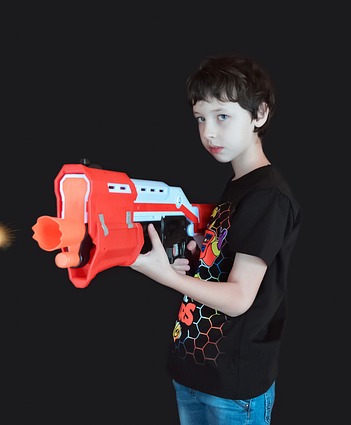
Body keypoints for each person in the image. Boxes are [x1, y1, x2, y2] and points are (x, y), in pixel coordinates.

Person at [130, 55, 303, 424]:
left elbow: (240, 298)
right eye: (200, 119)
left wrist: (168, 276)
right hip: (195, 373)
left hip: (232, 386)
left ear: (259, 114)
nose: (209, 132)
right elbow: (221, 266)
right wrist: (196, 262)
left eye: (222, 116)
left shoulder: (268, 196)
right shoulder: (239, 186)